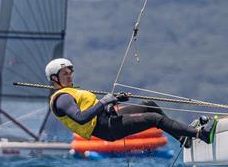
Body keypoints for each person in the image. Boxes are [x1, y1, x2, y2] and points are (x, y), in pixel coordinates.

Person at [45, 58, 215, 146]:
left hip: (109, 116)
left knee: (150, 105)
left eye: (70, 72)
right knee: (154, 119)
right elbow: (81, 118)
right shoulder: (62, 98)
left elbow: (95, 108)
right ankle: (201, 135)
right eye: (64, 73)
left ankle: (183, 139)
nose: (69, 75)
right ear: (54, 78)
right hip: (105, 128)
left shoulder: (71, 91)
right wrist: (104, 102)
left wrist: (115, 100)